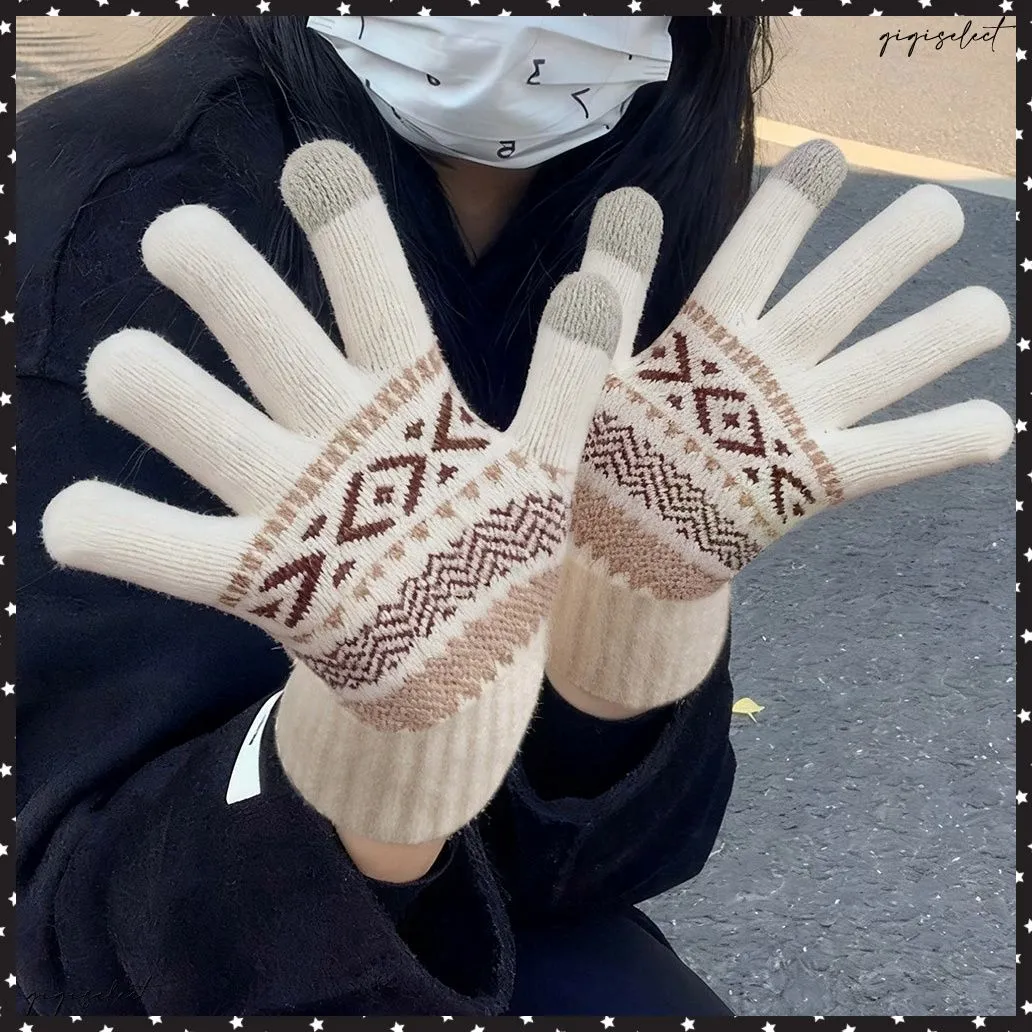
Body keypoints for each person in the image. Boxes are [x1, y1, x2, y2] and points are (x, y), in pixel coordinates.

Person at [14, 15, 1012, 1018]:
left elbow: (615, 861)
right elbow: (58, 939)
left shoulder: (641, 174)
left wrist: (618, 635)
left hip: (464, 925)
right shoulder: (102, 208)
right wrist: (375, 771)